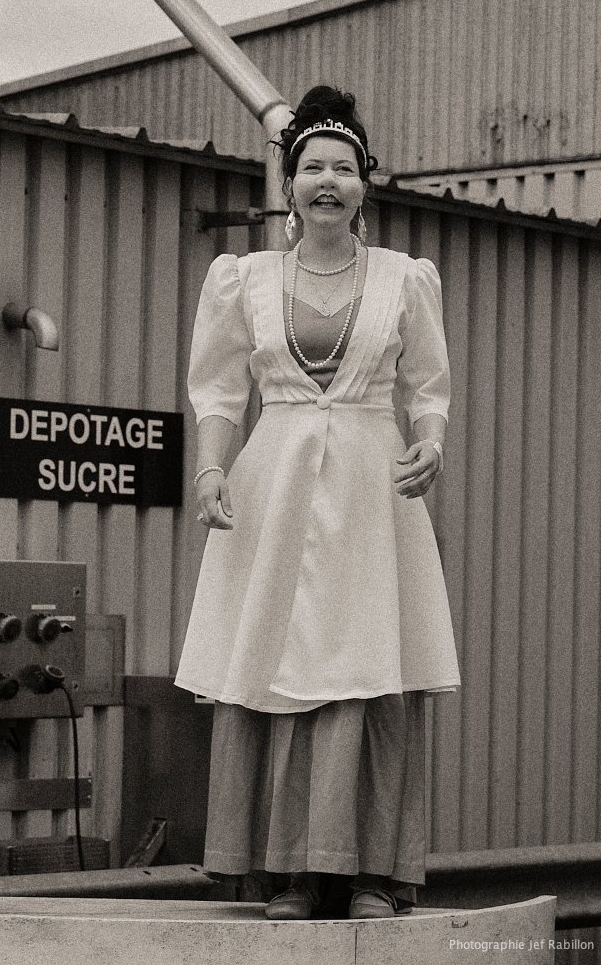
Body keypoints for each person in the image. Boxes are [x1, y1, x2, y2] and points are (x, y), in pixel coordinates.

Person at [173, 85, 460, 921]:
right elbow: (219, 391)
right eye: (312, 168)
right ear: (290, 185)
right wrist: (211, 471)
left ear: (364, 185)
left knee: (369, 666)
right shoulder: (245, 279)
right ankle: (291, 874)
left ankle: (372, 875)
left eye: (343, 168)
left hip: (374, 490)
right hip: (276, 489)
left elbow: (429, 387)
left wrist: (430, 443)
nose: (327, 181)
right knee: (278, 665)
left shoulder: (405, 279)